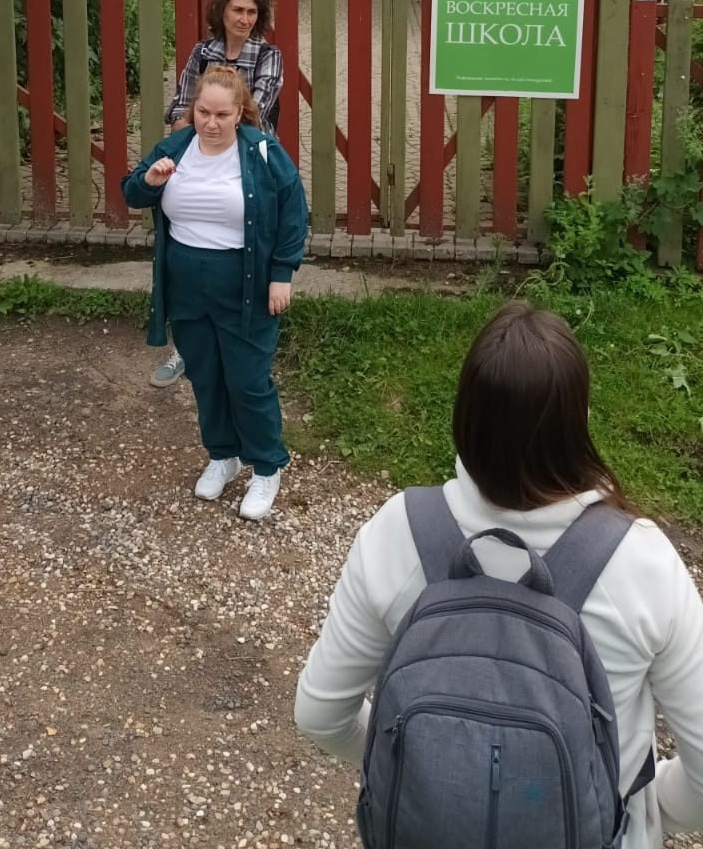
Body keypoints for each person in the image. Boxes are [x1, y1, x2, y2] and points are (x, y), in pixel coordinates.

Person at [295, 299, 703, 849]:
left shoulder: (397, 533)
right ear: (580, 422)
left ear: (463, 418)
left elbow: (320, 714)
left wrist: (419, 769)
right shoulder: (643, 562)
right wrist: (642, 810)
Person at [123, 65, 307, 521]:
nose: (211, 123)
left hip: (244, 285)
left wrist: (281, 273)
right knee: (205, 376)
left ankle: (266, 467)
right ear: (194, 109)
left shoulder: (262, 152)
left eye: (222, 115)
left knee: (247, 380)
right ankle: (224, 456)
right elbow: (132, 192)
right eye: (203, 112)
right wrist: (150, 182)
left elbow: (293, 212)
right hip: (186, 284)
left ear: (240, 113)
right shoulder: (175, 147)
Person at [151, 0, 284, 388]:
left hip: (248, 165)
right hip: (199, 160)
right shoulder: (202, 52)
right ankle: (187, 348)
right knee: (189, 246)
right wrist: (196, 123)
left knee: (248, 247)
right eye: (237, 10)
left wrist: (205, 120)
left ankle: (248, 341)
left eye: (252, 12)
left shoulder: (269, 56)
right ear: (221, 12)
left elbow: (253, 112)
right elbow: (179, 107)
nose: (244, 19)